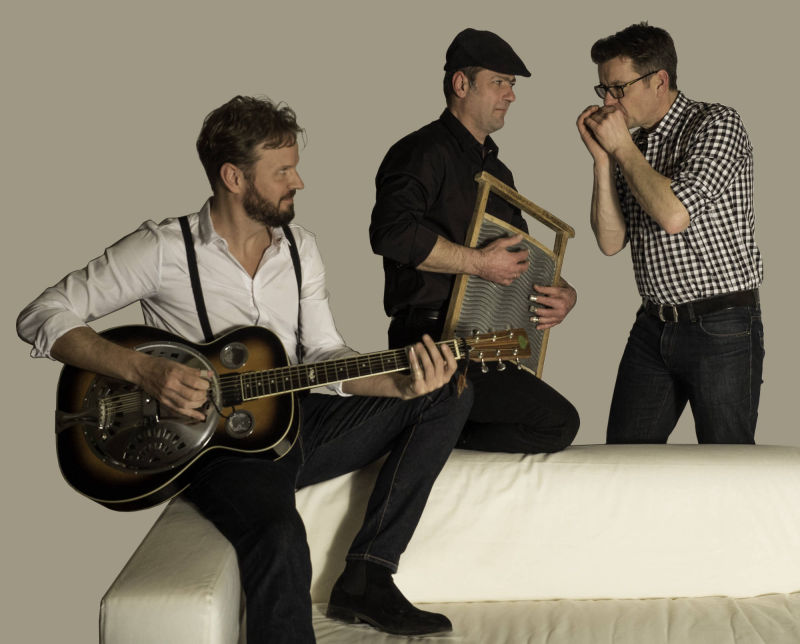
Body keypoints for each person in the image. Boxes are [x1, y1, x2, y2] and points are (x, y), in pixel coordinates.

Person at [16, 96, 474, 642]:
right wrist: (142, 370)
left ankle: (369, 575)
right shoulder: (164, 249)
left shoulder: (301, 249)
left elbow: (323, 355)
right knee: (279, 536)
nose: (298, 181)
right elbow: (41, 313)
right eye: (282, 171)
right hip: (220, 447)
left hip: (296, 421)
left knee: (449, 392)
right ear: (234, 177)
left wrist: (398, 383)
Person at [369, 28, 579, 454]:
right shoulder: (420, 151)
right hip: (428, 343)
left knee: (553, 423)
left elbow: (519, 256)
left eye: (512, 85)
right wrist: (478, 263)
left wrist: (562, 293)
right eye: (499, 82)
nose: (511, 95)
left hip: (479, 342)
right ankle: (424, 425)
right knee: (557, 423)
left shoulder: (498, 173)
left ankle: (430, 428)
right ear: (461, 84)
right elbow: (391, 233)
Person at [576, 23, 764, 444]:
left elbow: (674, 216)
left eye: (618, 88)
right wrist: (603, 160)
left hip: (721, 325)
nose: (608, 102)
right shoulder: (632, 146)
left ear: (659, 80)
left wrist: (622, 148)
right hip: (653, 324)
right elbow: (610, 242)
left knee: (726, 465)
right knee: (623, 462)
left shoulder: (716, 124)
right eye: (603, 89)